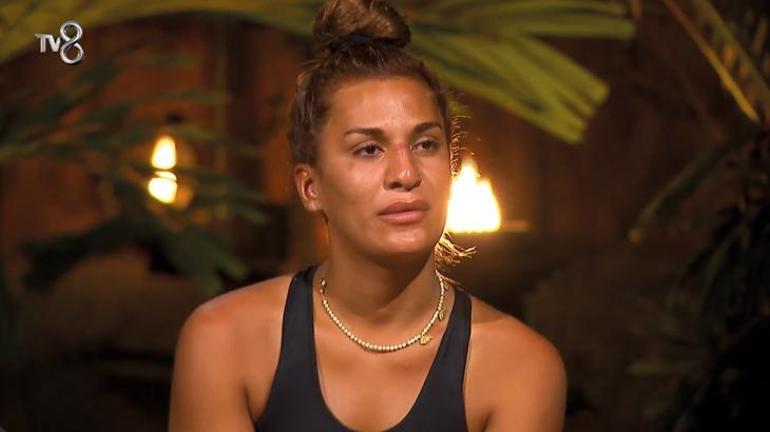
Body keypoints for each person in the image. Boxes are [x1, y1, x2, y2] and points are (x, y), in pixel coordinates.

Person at [168, 0, 566, 430]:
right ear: (310, 187)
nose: (406, 174)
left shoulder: (520, 366)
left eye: (425, 144)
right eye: (368, 149)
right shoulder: (224, 340)